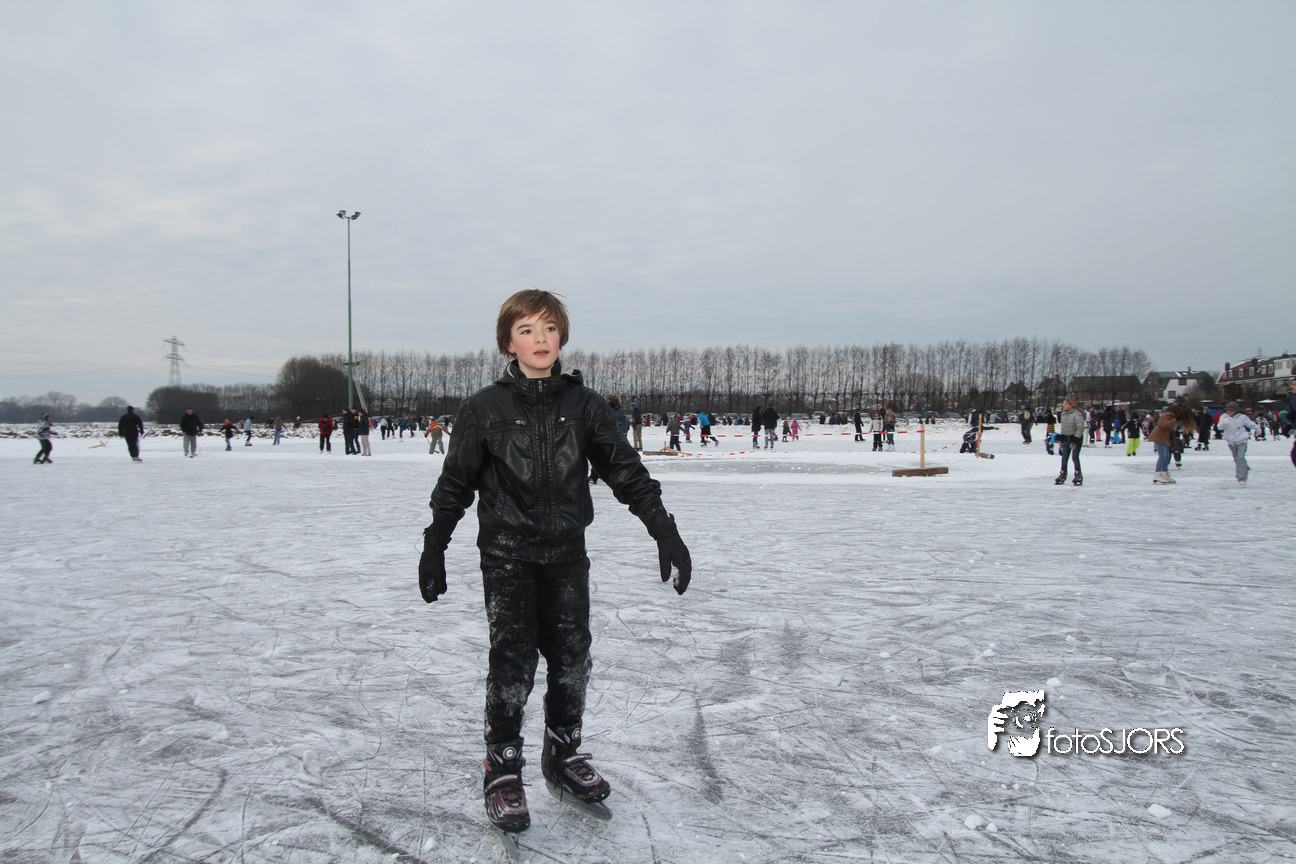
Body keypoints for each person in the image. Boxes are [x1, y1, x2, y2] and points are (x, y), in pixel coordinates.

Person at [418, 289, 691, 835]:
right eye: (526, 330)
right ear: (508, 342)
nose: (539, 339)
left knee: (571, 657)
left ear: (562, 336)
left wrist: (664, 528)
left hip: (566, 553)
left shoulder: (584, 406)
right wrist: (435, 544)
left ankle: (562, 753)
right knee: (513, 660)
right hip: (507, 554)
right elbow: (455, 484)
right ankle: (502, 765)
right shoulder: (483, 409)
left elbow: (625, 471)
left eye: (548, 328)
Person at [1148, 404, 1196, 484]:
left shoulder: (1174, 414)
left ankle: (1164, 473)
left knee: (1167, 456)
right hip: (1159, 435)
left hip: (1165, 437)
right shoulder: (1170, 414)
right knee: (1163, 456)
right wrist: (1176, 419)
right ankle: (1158, 473)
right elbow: (1163, 424)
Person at [1218, 402, 1260, 484]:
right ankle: (1244, 467)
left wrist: (1258, 429)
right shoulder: (1223, 417)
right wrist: (1223, 423)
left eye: (1232, 410)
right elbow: (1219, 427)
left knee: (1240, 457)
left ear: (1236, 411)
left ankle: (1241, 477)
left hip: (1241, 440)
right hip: (1231, 441)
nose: (1229, 412)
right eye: (1228, 410)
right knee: (1236, 458)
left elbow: (1251, 424)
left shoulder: (1242, 417)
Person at [1055, 397, 1085, 485]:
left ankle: (1078, 474)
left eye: (1066, 404)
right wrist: (1061, 438)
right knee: (1064, 457)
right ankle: (1063, 474)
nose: (1064, 406)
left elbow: (1080, 428)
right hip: (1066, 438)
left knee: (1075, 457)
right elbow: (1063, 427)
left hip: (1076, 439)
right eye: (1064, 404)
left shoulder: (1077, 415)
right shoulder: (1063, 414)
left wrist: (1075, 440)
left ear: (1071, 405)